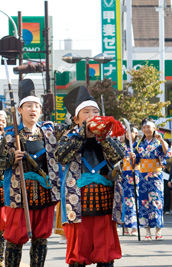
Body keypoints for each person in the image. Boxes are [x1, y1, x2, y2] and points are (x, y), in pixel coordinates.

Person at [0, 79, 68, 266]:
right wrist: (11, 159)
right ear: (20, 110)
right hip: (19, 193)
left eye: (36, 106)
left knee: (40, 240)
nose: (33, 109)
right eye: (28, 106)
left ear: (40, 110)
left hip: (45, 192)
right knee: (14, 238)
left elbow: (73, 131)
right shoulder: (9, 135)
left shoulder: (50, 132)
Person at [56, 86, 125, 267]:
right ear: (76, 119)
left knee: (105, 254)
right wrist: (81, 134)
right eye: (86, 112)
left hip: (104, 203)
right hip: (78, 202)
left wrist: (105, 136)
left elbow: (119, 156)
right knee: (79, 255)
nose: (92, 115)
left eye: (95, 111)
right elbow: (60, 156)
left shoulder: (107, 139)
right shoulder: (69, 137)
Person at [132, 118, 171, 241]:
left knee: (156, 202)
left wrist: (162, 140)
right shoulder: (138, 144)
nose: (146, 130)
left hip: (155, 175)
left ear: (154, 128)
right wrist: (132, 157)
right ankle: (147, 230)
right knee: (144, 202)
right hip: (143, 175)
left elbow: (167, 153)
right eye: (144, 127)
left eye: (148, 127)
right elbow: (135, 161)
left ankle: (158, 230)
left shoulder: (159, 142)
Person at [119, 131, 138, 236]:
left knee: (134, 200)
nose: (128, 134)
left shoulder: (138, 145)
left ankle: (134, 226)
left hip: (135, 173)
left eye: (131, 132)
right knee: (125, 200)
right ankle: (125, 225)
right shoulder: (122, 146)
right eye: (126, 132)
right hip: (124, 174)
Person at [0, 109, 7, 265]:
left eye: (3, 121)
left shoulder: (9, 140)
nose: (1, 123)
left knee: (2, 226)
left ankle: (0, 257)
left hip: (3, 189)